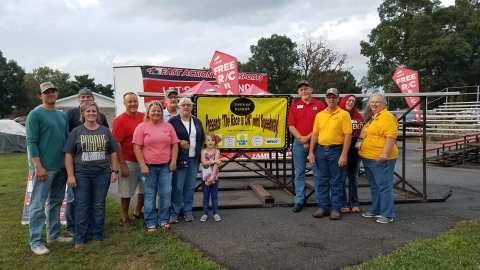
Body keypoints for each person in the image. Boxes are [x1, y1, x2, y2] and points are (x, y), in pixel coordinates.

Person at [64, 101, 119, 247]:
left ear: (98, 113)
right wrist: (70, 175)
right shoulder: (76, 132)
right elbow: (68, 155)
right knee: (82, 205)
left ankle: (97, 234)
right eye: (88, 111)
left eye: (94, 111)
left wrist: (114, 171)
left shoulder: (105, 131)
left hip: (102, 174)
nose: (91, 113)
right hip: (82, 174)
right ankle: (80, 238)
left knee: (99, 204)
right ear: (83, 114)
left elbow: (113, 152)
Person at [26, 81, 72, 255]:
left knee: (56, 202)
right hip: (44, 168)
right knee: (37, 205)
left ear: (57, 93)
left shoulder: (62, 115)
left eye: (53, 91)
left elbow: (66, 141)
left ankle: (53, 234)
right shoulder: (35, 115)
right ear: (40, 96)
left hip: (60, 167)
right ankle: (36, 241)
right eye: (46, 92)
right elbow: (31, 142)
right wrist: (38, 166)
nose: (50, 94)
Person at [65, 87, 109, 234]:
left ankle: (92, 226)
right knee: (76, 198)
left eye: (88, 97)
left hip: (98, 165)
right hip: (78, 162)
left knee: (95, 200)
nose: (85, 99)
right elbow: (67, 136)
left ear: (93, 99)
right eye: (82, 97)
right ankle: (72, 226)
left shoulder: (100, 116)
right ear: (79, 99)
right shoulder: (71, 113)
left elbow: (107, 137)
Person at [133, 101, 179, 231]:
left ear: (162, 112)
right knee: (150, 194)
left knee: (165, 193)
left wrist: (173, 161)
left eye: (159, 110)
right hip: (148, 167)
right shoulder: (141, 127)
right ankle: (150, 222)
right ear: (148, 112)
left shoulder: (168, 127)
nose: (156, 113)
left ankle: (163, 219)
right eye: (153, 110)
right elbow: (137, 147)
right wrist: (142, 165)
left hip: (165, 167)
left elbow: (175, 144)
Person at [308, 88, 352, 220]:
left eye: (334, 97)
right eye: (329, 97)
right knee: (321, 180)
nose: (331, 99)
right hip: (320, 150)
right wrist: (311, 152)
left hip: (336, 150)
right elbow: (315, 134)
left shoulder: (344, 114)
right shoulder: (319, 115)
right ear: (325, 99)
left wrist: (344, 154)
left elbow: (348, 135)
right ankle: (323, 207)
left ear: (338, 99)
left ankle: (336, 208)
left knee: (337, 181)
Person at [358, 94, 398, 224]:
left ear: (384, 104)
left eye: (378, 102)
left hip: (380, 158)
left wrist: (385, 154)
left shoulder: (387, 117)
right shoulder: (373, 118)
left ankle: (387, 214)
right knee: (375, 186)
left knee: (384, 186)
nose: (374, 104)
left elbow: (391, 136)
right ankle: (376, 209)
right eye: (372, 102)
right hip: (368, 157)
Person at [288, 80, 325, 212]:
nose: (304, 91)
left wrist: (308, 139)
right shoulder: (294, 105)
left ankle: (321, 201)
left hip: (316, 143)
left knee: (318, 173)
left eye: (306, 88)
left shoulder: (320, 105)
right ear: (299, 93)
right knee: (299, 173)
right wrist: (301, 139)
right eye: (301, 89)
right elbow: (291, 125)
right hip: (298, 143)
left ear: (311, 90)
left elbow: (321, 126)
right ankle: (299, 200)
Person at [169, 97, 205, 223]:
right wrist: (179, 142)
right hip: (179, 159)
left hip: (193, 159)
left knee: (190, 187)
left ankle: (187, 210)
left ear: (192, 107)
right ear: (179, 107)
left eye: (188, 105)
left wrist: (201, 156)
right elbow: (167, 137)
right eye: (183, 105)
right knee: (178, 186)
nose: (186, 107)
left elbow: (202, 139)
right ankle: (174, 212)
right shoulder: (173, 121)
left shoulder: (197, 121)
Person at [112, 92, 145, 225]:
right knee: (126, 191)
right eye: (129, 102)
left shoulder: (144, 117)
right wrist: (122, 164)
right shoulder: (120, 120)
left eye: (135, 101)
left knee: (144, 189)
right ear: (124, 104)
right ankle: (124, 217)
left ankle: (137, 212)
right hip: (128, 160)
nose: (133, 104)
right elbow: (116, 144)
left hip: (144, 160)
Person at [338, 95, 364, 214]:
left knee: (353, 176)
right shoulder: (338, 113)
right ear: (343, 101)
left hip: (355, 148)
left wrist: (359, 144)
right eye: (348, 100)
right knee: (342, 176)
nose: (350, 102)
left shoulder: (358, 115)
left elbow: (363, 132)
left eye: (353, 101)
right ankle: (343, 203)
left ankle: (354, 202)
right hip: (342, 147)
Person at [200, 134, 222, 222]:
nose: (210, 142)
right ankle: (205, 213)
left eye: (212, 140)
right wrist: (214, 161)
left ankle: (215, 213)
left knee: (214, 196)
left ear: (215, 142)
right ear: (205, 142)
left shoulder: (217, 151)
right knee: (205, 196)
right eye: (208, 140)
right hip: (205, 177)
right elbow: (203, 163)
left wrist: (212, 177)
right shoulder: (203, 151)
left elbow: (216, 165)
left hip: (214, 177)